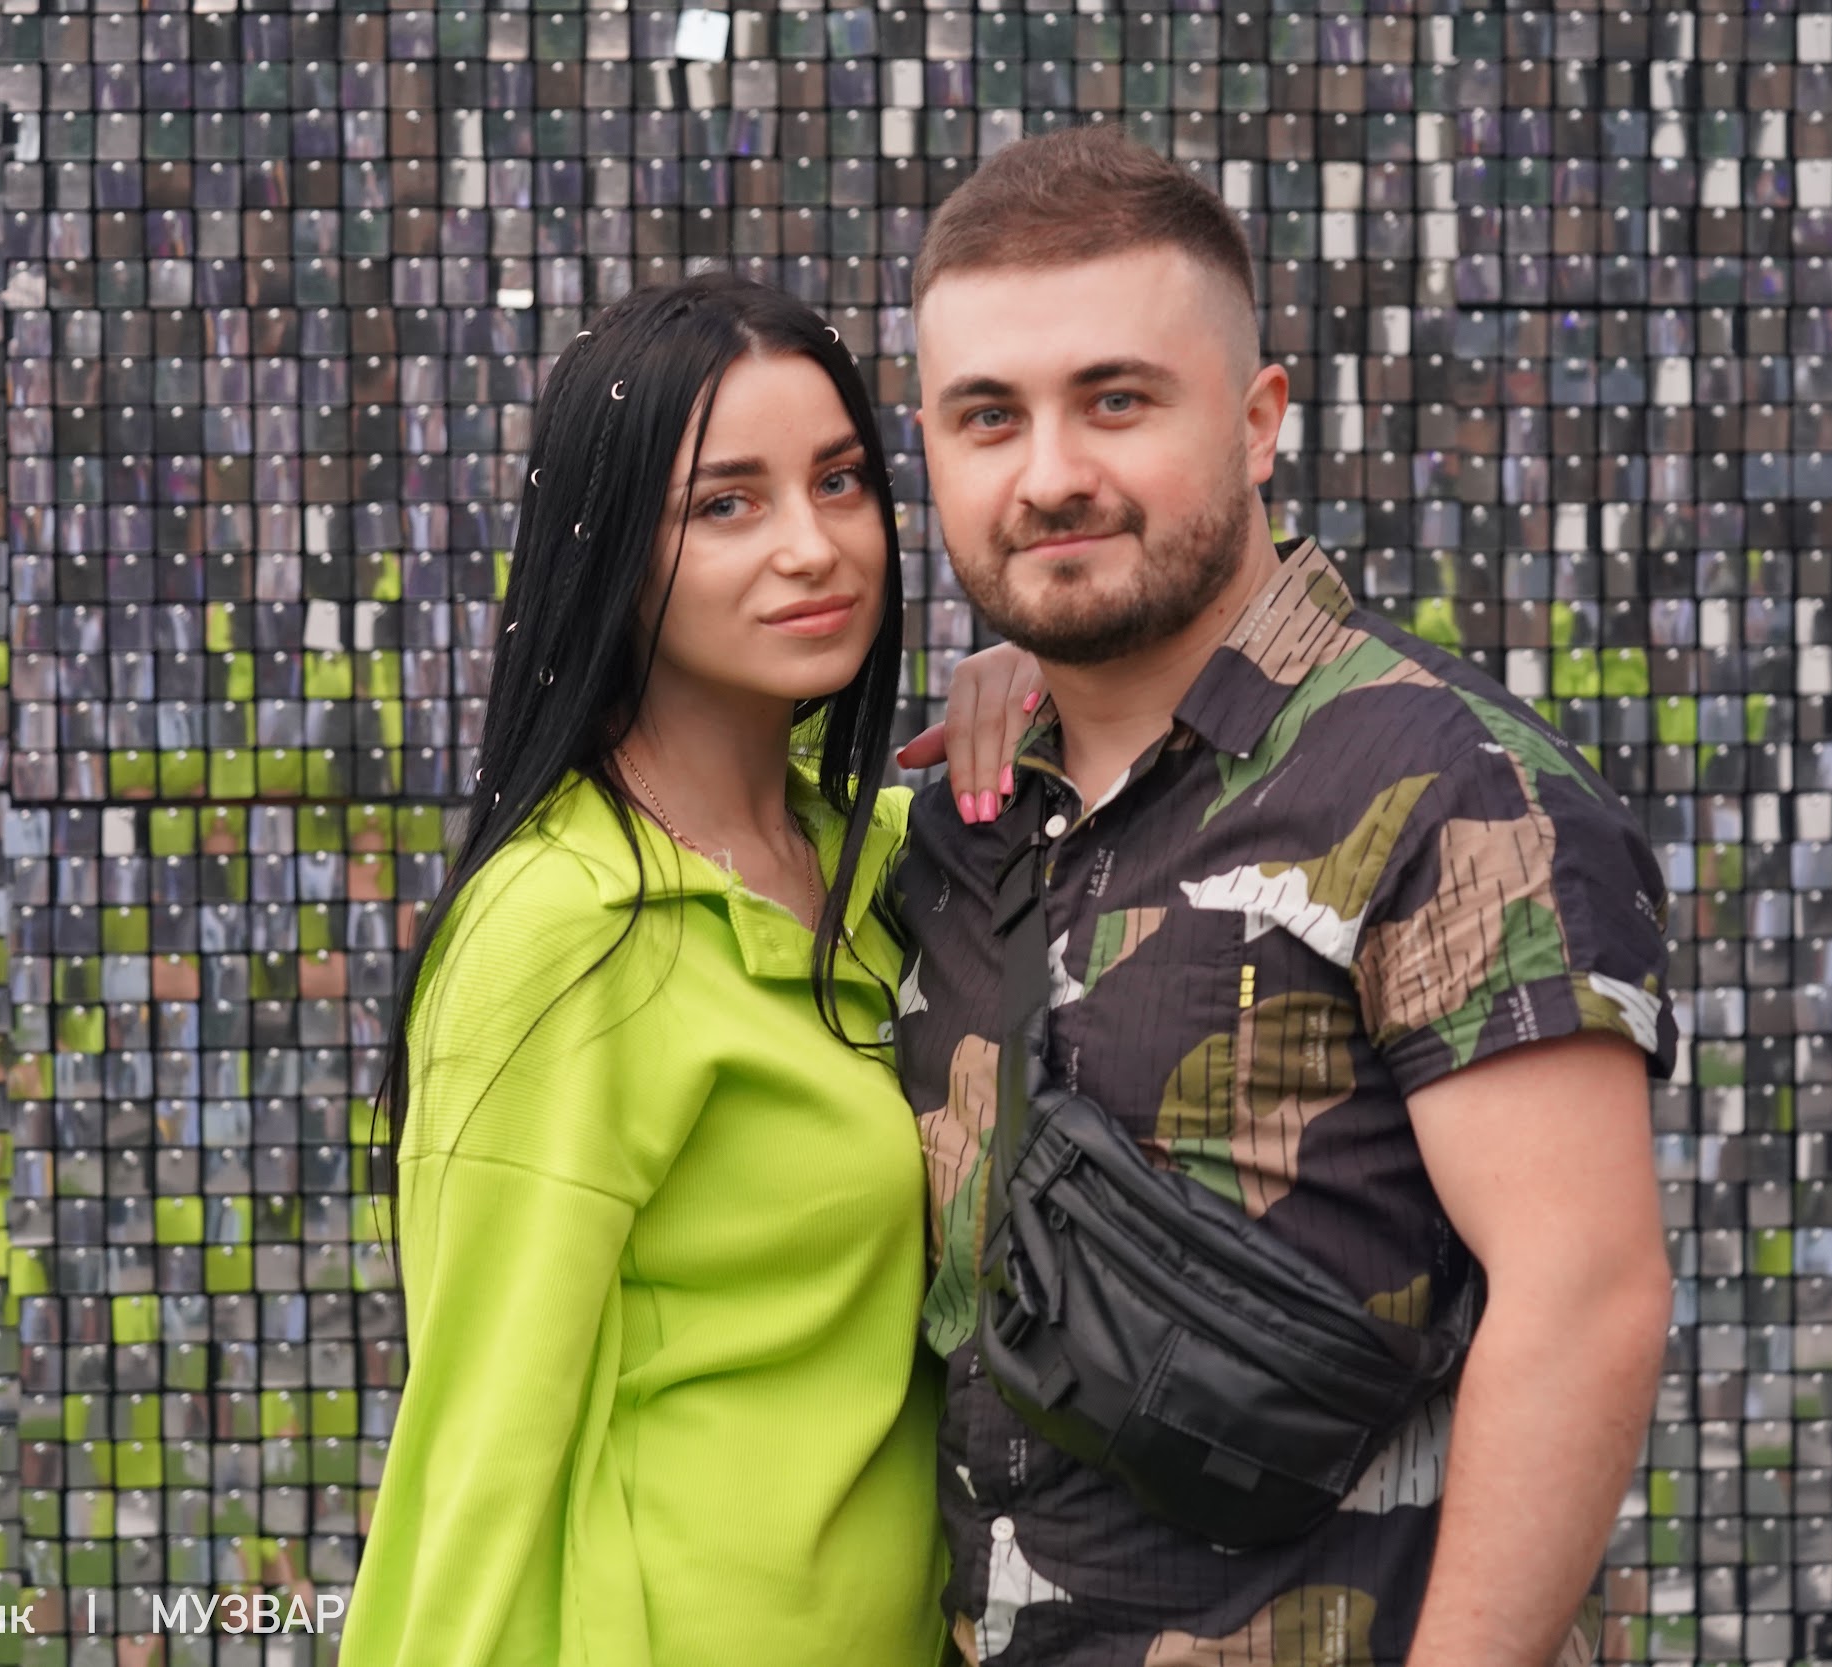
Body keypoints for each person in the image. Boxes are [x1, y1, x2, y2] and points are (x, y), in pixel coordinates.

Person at [891, 126, 1679, 1667]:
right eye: (989, 417)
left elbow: (1585, 1297)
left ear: (1258, 422)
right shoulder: (962, 827)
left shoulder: (1448, 786)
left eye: (1117, 401)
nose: (1050, 475)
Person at [339, 272, 1031, 1667]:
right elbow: (482, 1437)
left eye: (839, 482)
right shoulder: (566, 926)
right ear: (610, 550)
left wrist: (1054, 684)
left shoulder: (888, 869)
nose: (813, 547)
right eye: (726, 504)